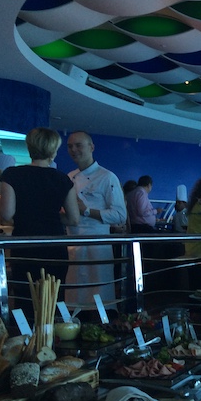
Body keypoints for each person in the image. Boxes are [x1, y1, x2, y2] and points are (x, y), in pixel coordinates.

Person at [0, 128, 80, 310]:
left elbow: (7, 214)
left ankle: (26, 329)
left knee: (25, 297)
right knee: (53, 299)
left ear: (30, 147)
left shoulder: (12, 175)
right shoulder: (62, 178)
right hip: (54, 245)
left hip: (25, 243)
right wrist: (49, 216)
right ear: (53, 151)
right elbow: (74, 219)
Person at [65, 131, 127, 309]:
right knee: (74, 299)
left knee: (100, 299)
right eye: (70, 146)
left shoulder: (107, 177)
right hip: (73, 245)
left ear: (91, 147)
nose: (73, 150)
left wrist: (86, 211)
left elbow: (120, 215)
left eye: (78, 145)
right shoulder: (69, 177)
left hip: (98, 247)